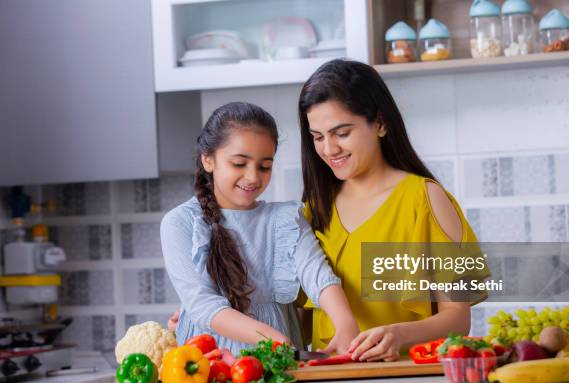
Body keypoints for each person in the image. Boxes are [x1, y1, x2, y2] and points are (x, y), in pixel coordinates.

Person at [297, 59, 488, 362]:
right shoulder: (313, 210)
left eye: (342, 133)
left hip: (408, 380)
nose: (329, 149)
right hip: (328, 382)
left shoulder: (425, 199)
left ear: (381, 124)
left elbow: (457, 318)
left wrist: (398, 334)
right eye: (318, 137)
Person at [160, 102, 359, 356]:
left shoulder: (284, 219)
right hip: (210, 357)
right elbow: (202, 304)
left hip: (279, 351)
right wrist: (272, 338)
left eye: (264, 166)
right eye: (239, 164)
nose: (253, 177)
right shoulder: (180, 222)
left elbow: (317, 275)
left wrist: (345, 324)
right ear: (208, 159)